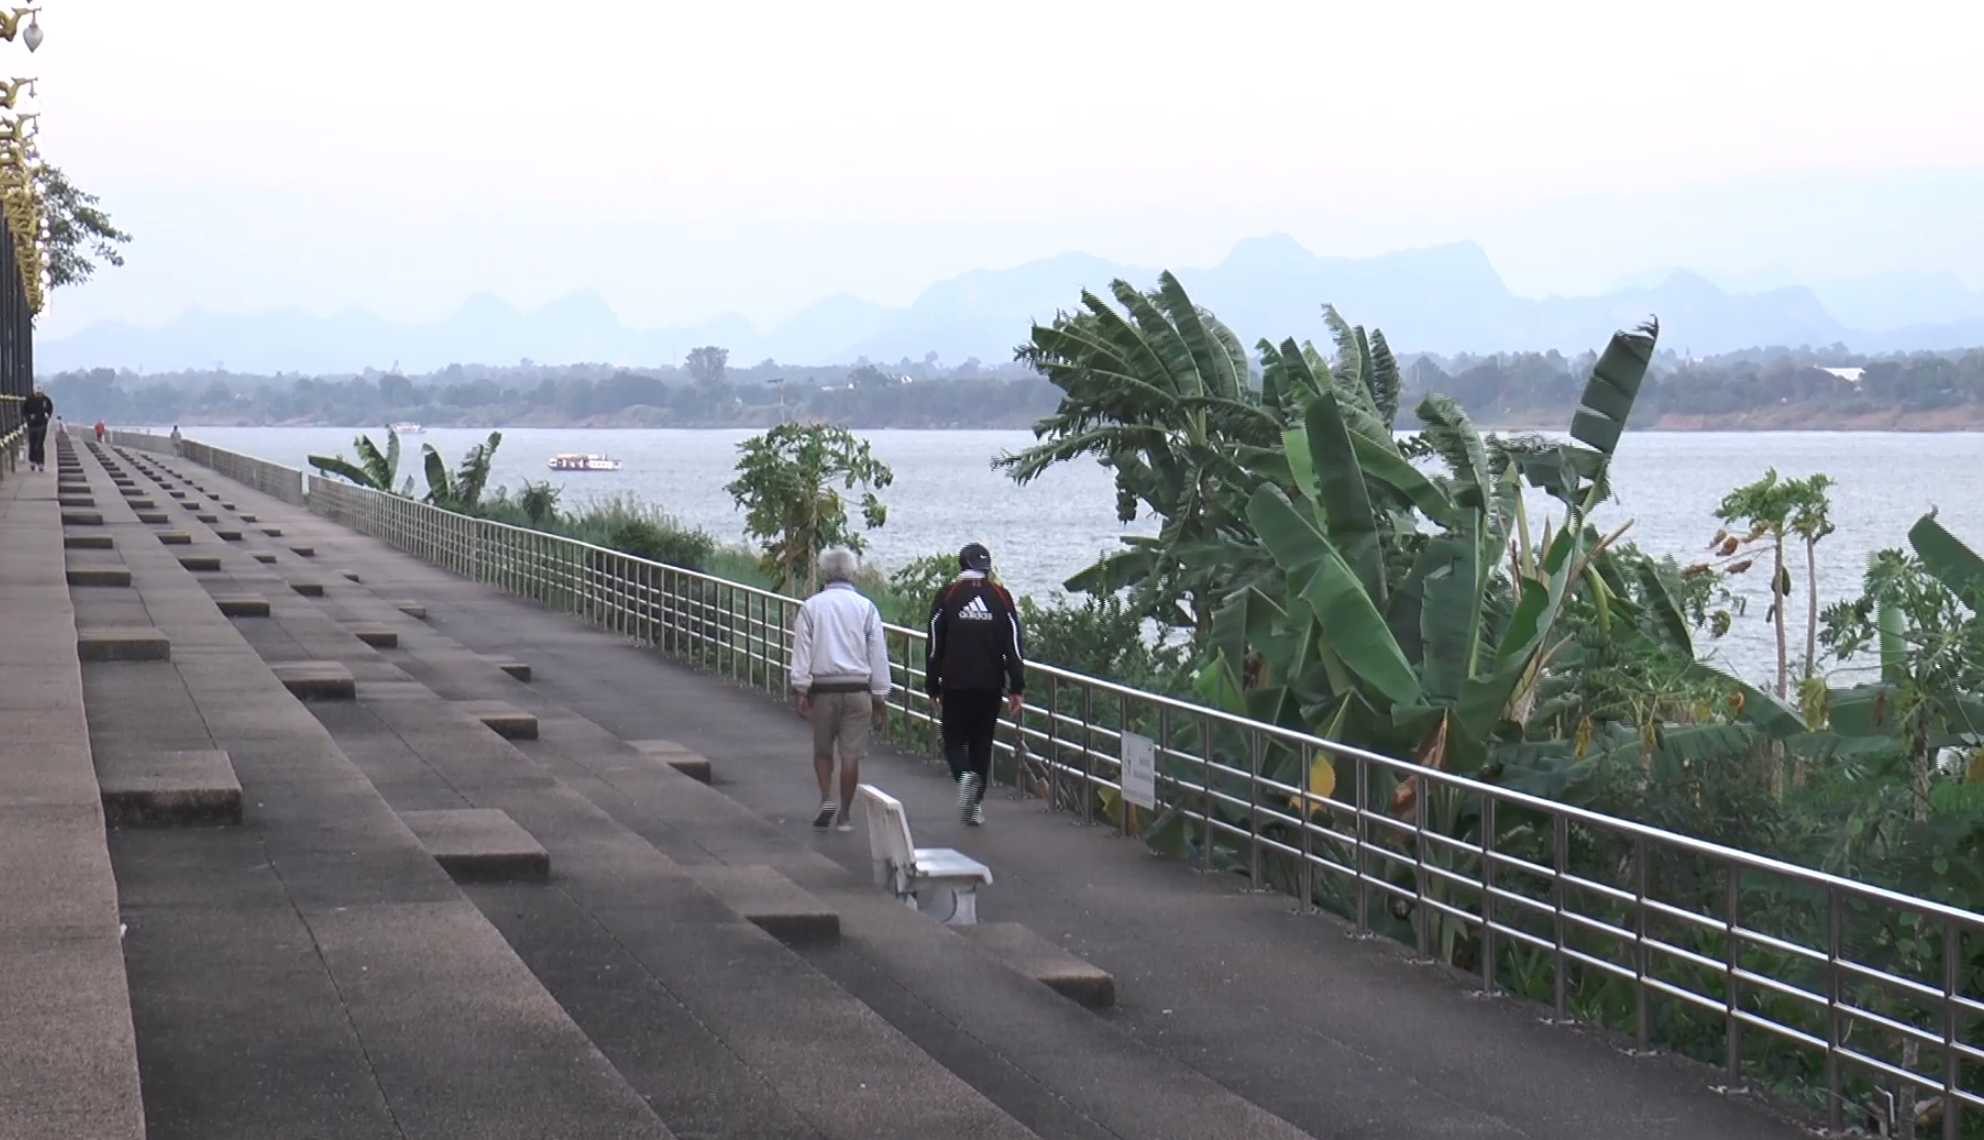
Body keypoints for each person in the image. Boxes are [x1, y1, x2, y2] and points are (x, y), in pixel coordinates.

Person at [788, 547, 892, 832]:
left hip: (822, 690)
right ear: (852, 573)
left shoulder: (811, 607)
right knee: (851, 756)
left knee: (822, 751)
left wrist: (800, 687)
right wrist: (880, 696)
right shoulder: (866, 607)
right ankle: (845, 816)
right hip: (859, 690)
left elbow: (802, 650)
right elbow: (877, 654)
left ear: (825, 573)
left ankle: (826, 798)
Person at [925, 542, 1026, 826]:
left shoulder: (948, 595)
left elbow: (934, 643)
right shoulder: (1001, 596)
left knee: (954, 741)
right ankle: (976, 806)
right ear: (986, 568)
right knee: (982, 741)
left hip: (955, 683)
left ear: (962, 565)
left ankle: (964, 776)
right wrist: (1017, 687)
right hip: (991, 684)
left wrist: (932, 685)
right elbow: (1015, 645)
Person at [21, 387, 52, 471]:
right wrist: (28, 417)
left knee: (39, 444)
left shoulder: (46, 400)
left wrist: (48, 415)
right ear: (34, 393)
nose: (38, 395)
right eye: (37, 393)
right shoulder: (29, 399)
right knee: (32, 443)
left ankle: (40, 462)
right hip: (32, 425)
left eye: (40, 394)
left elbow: (50, 409)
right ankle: (32, 461)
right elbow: (23, 410)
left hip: (42, 425)